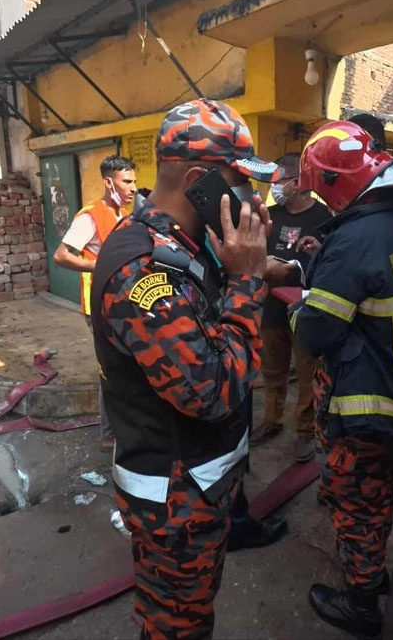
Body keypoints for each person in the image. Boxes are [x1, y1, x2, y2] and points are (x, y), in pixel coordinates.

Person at [90, 98, 281, 639]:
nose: (250, 194)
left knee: (190, 614)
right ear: (199, 179)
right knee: (178, 625)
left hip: (202, 485)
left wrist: (261, 266)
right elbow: (211, 392)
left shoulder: (183, 243)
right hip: (175, 502)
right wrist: (247, 284)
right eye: (239, 180)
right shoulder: (145, 269)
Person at [292, 121, 393, 638]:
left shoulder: (356, 237)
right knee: (379, 489)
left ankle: (361, 603)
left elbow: (316, 333)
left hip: (367, 407)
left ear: (335, 184)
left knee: (355, 498)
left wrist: (298, 300)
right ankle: (373, 569)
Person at [250, 153, 332, 462]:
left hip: (306, 309)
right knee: (272, 370)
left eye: (280, 181)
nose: (274, 187)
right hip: (270, 308)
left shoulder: (325, 217)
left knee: (310, 372)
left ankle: (304, 431)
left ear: (297, 183)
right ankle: (272, 421)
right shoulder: (267, 214)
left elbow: (330, 263)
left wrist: (297, 266)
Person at [54, 155, 137, 451]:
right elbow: (61, 256)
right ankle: (109, 433)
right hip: (99, 304)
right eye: (126, 182)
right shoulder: (90, 215)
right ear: (108, 182)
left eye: (134, 181)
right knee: (111, 368)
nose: (133, 188)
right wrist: (100, 265)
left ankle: (125, 424)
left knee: (128, 365)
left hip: (122, 301)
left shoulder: (124, 214)